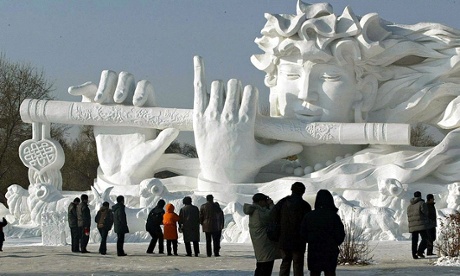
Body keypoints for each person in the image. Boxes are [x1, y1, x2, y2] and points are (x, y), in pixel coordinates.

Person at [301, 189, 345, 276]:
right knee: (330, 272)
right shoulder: (334, 216)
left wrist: (311, 240)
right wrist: (334, 243)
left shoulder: (309, 216)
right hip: (330, 251)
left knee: (314, 273)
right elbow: (340, 234)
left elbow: (303, 233)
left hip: (314, 250)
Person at [271, 182, 311, 276]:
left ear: (292, 190)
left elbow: (273, 215)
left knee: (285, 263)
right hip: (299, 241)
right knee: (298, 265)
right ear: (303, 192)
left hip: (284, 238)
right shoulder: (306, 206)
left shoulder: (282, 203)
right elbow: (308, 224)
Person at [243, 193, 280, 276]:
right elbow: (273, 215)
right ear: (260, 202)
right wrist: (271, 204)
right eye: (265, 201)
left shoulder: (255, 210)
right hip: (265, 244)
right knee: (265, 268)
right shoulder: (259, 212)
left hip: (261, 244)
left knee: (260, 266)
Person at [407, 191, 430, 259]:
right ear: (420, 196)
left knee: (414, 241)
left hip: (413, 225)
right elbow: (425, 212)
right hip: (421, 224)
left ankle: (414, 255)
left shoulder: (409, 206)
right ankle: (420, 251)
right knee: (426, 239)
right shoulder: (422, 203)